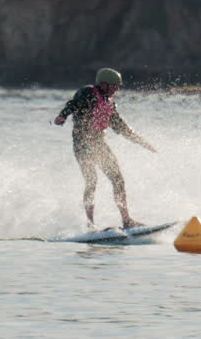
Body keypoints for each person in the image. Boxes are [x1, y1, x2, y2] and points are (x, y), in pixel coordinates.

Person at [53, 67, 157, 229]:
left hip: (99, 144)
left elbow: (122, 127)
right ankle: (90, 224)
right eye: (114, 86)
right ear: (103, 84)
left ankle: (127, 220)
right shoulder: (88, 93)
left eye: (118, 87)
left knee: (118, 180)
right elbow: (73, 105)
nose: (116, 89)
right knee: (91, 181)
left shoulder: (109, 103)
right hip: (82, 143)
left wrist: (142, 142)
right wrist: (62, 116)